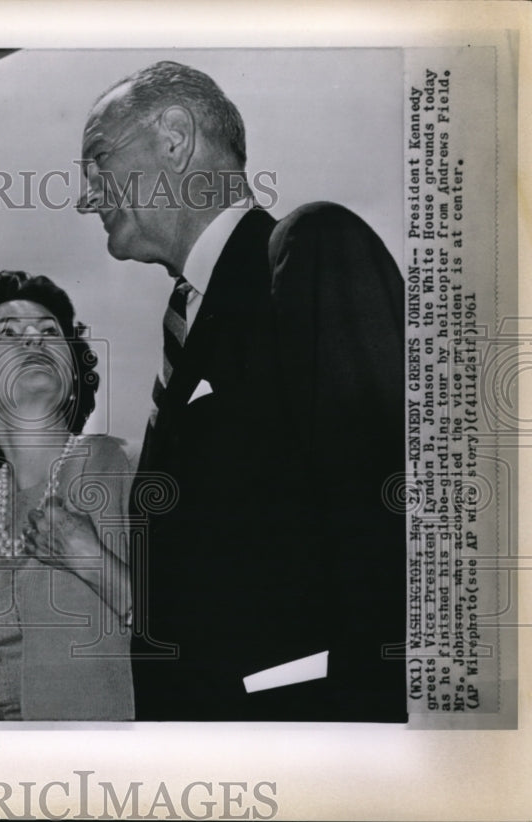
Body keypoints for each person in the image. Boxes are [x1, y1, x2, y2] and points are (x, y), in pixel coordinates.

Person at [77, 61, 406, 721]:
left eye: (98, 163)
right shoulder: (187, 326)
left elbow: (383, 531)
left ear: (174, 137)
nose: (87, 199)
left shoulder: (310, 249)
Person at [0, 271, 134, 720]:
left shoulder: (131, 470)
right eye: (7, 335)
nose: (32, 342)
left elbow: (205, 635)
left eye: (48, 332)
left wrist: (93, 561)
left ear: (72, 370)